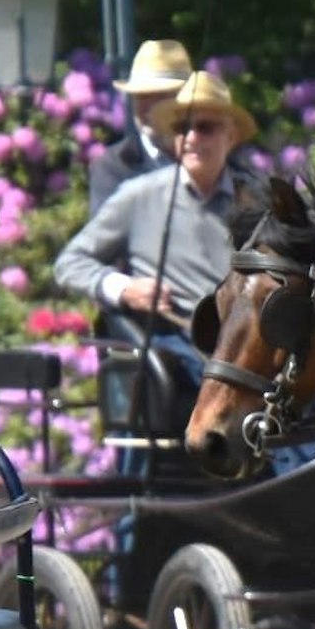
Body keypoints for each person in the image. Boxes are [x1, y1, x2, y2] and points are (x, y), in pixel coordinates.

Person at [54, 70, 256, 392]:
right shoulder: (139, 195)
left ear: (230, 136)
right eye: (182, 128)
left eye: (204, 127)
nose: (191, 138)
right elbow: (70, 263)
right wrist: (124, 288)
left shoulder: (257, 200)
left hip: (249, 353)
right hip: (178, 350)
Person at [88, 39, 193, 215]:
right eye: (142, 96)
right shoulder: (113, 166)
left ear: (186, 100)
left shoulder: (211, 155)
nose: (150, 107)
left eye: (161, 95)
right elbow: (107, 238)